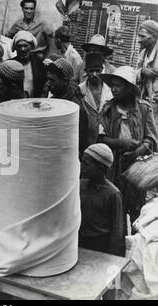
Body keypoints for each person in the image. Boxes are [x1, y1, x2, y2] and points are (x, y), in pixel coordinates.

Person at [98, 66, 158, 224]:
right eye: (112, 86)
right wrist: (121, 143)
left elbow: (152, 139)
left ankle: (134, 243)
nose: (114, 90)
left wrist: (138, 150)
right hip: (114, 168)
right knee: (116, 210)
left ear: (130, 89)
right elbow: (100, 138)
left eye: (119, 86)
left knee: (137, 210)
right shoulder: (108, 110)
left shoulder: (144, 109)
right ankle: (118, 243)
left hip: (137, 169)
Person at [79, 143, 125, 257]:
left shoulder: (113, 194)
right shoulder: (79, 186)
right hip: (80, 243)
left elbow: (117, 231)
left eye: (86, 164)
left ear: (100, 168)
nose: (81, 166)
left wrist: (112, 259)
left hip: (100, 246)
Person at [46, 58, 95, 155]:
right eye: (48, 79)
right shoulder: (55, 99)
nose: (48, 84)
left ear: (64, 80)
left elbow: (77, 143)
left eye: (52, 80)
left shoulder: (76, 109)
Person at [11, 30, 47, 98]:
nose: (23, 49)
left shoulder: (39, 64)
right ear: (16, 48)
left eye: (25, 45)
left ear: (31, 46)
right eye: (19, 46)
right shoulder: (10, 65)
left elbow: (44, 86)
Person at [136, 20, 158, 126]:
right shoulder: (143, 53)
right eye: (138, 36)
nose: (139, 40)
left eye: (142, 36)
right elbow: (135, 74)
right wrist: (142, 71)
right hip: (144, 100)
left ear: (153, 37)